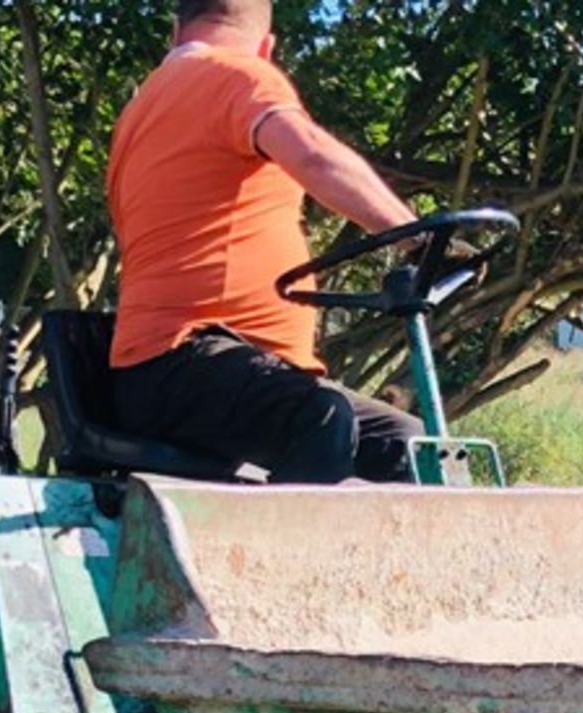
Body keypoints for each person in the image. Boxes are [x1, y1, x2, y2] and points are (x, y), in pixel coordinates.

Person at [106, 0, 423, 483]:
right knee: (318, 418)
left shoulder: (139, 110)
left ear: (176, 30)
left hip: (180, 374)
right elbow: (314, 157)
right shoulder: (239, 76)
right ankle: (299, 560)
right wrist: (415, 237)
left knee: (406, 442)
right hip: (182, 358)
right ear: (266, 46)